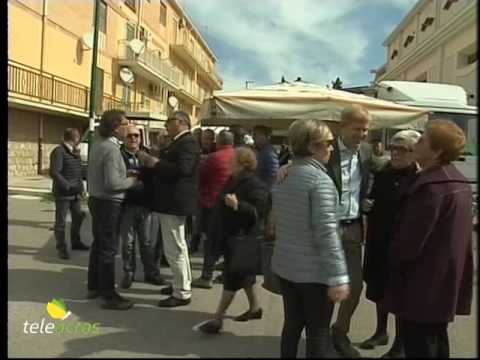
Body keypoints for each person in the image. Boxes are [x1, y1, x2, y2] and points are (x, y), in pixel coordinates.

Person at [381, 120, 473, 358]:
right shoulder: (458, 181)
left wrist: (391, 259)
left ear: (437, 151)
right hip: (443, 283)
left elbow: (409, 244)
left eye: (423, 139)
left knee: (421, 345)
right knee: (437, 342)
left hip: (422, 285)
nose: (417, 142)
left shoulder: (432, 187)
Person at [271, 119, 350, 358]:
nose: (332, 147)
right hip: (313, 273)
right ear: (312, 146)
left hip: (286, 267)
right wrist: (338, 276)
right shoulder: (319, 181)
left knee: (292, 325)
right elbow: (326, 232)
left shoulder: (285, 174)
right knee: (318, 333)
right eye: (328, 142)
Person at [359, 130, 421, 358]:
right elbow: (373, 199)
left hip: (401, 245)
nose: (395, 154)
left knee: (399, 294)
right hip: (378, 242)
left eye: (402, 150)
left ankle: (400, 344)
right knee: (378, 288)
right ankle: (380, 332)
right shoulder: (384, 173)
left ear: (414, 152)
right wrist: (367, 206)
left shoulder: (418, 178)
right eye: (393, 148)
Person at [199, 147, 269, 334]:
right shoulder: (234, 179)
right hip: (229, 236)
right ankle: (255, 308)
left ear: (242, 163)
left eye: (233, 160)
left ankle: (217, 319)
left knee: (232, 278)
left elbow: (258, 212)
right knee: (244, 276)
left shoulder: (255, 185)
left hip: (241, 239)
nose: (229, 162)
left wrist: (238, 205)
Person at [137, 110, 201, 308]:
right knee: (177, 246)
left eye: (168, 122)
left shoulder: (188, 142)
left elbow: (184, 169)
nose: (165, 125)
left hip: (174, 203)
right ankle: (180, 284)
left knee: (174, 248)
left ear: (180, 122)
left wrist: (155, 162)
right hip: (171, 202)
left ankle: (181, 292)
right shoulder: (179, 142)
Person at [87, 109, 140, 310]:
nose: (128, 127)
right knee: (108, 248)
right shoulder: (110, 148)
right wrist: (131, 180)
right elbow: (112, 183)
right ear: (116, 127)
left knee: (99, 245)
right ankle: (110, 295)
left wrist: (123, 173)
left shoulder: (98, 144)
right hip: (109, 202)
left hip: (97, 199)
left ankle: (94, 286)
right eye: (125, 123)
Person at [119, 125, 166, 289]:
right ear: (124, 138)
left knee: (147, 243)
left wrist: (135, 176)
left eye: (136, 136)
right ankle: (128, 273)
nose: (133, 139)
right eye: (130, 136)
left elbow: (154, 176)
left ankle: (151, 273)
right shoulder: (119, 155)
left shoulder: (147, 155)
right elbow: (120, 177)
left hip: (146, 205)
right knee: (128, 243)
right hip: (127, 206)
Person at [192, 130, 235, 289]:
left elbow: (200, 179)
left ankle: (206, 276)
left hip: (212, 204)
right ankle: (227, 274)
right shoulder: (238, 156)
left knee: (210, 242)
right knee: (228, 241)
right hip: (231, 204)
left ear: (218, 142)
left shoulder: (214, 158)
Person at [49, 128, 89, 260]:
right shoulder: (59, 151)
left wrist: (81, 189)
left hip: (76, 193)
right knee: (60, 222)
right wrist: (67, 185)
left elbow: (77, 173)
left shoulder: (74, 152)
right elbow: (54, 172)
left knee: (78, 217)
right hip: (63, 194)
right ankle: (61, 248)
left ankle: (76, 242)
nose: (79, 141)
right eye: (79, 138)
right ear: (75, 139)